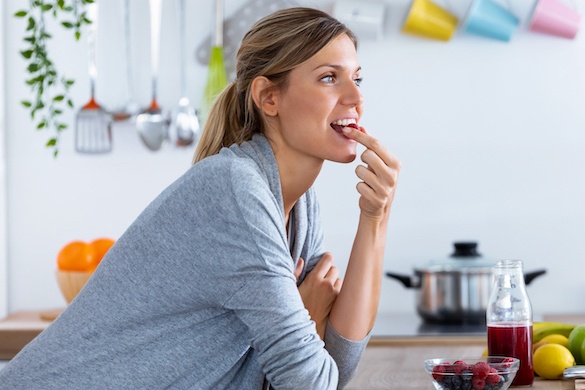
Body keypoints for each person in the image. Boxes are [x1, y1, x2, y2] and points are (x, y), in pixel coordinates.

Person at [0, 7, 400, 390]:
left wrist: (375, 217)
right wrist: (308, 315)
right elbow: (309, 382)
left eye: (357, 79)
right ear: (269, 97)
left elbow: (335, 367)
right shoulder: (236, 191)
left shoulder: (297, 202)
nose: (355, 97)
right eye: (330, 77)